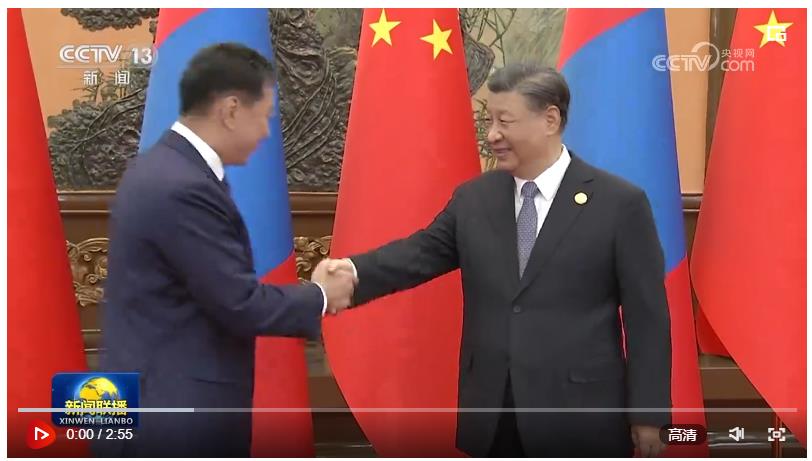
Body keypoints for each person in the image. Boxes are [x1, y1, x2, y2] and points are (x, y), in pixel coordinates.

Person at [315, 64, 672, 457]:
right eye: (490, 121)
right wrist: (352, 272)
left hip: (580, 413)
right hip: (492, 411)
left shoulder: (618, 203)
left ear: (550, 120)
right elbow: (418, 254)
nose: (492, 135)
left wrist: (649, 414)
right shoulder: (474, 199)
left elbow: (647, 318)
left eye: (505, 121)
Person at [99, 43, 356, 457]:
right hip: (176, 419)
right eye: (265, 117)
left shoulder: (161, 168)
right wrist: (322, 295)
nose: (267, 133)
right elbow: (238, 302)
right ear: (232, 110)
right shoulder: (183, 187)